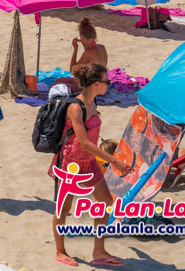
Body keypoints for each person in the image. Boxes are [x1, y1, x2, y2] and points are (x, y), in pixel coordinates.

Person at [51, 63, 132, 268]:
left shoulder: (93, 102)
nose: (109, 85)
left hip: (88, 162)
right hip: (71, 164)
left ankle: (99, 250)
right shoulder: (75, 108)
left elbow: (89, 146)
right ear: (96, 84)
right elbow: (85, 142)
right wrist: (113, 160)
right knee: (64, 208)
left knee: (105, 202)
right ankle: (60, 251)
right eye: (107, 82)